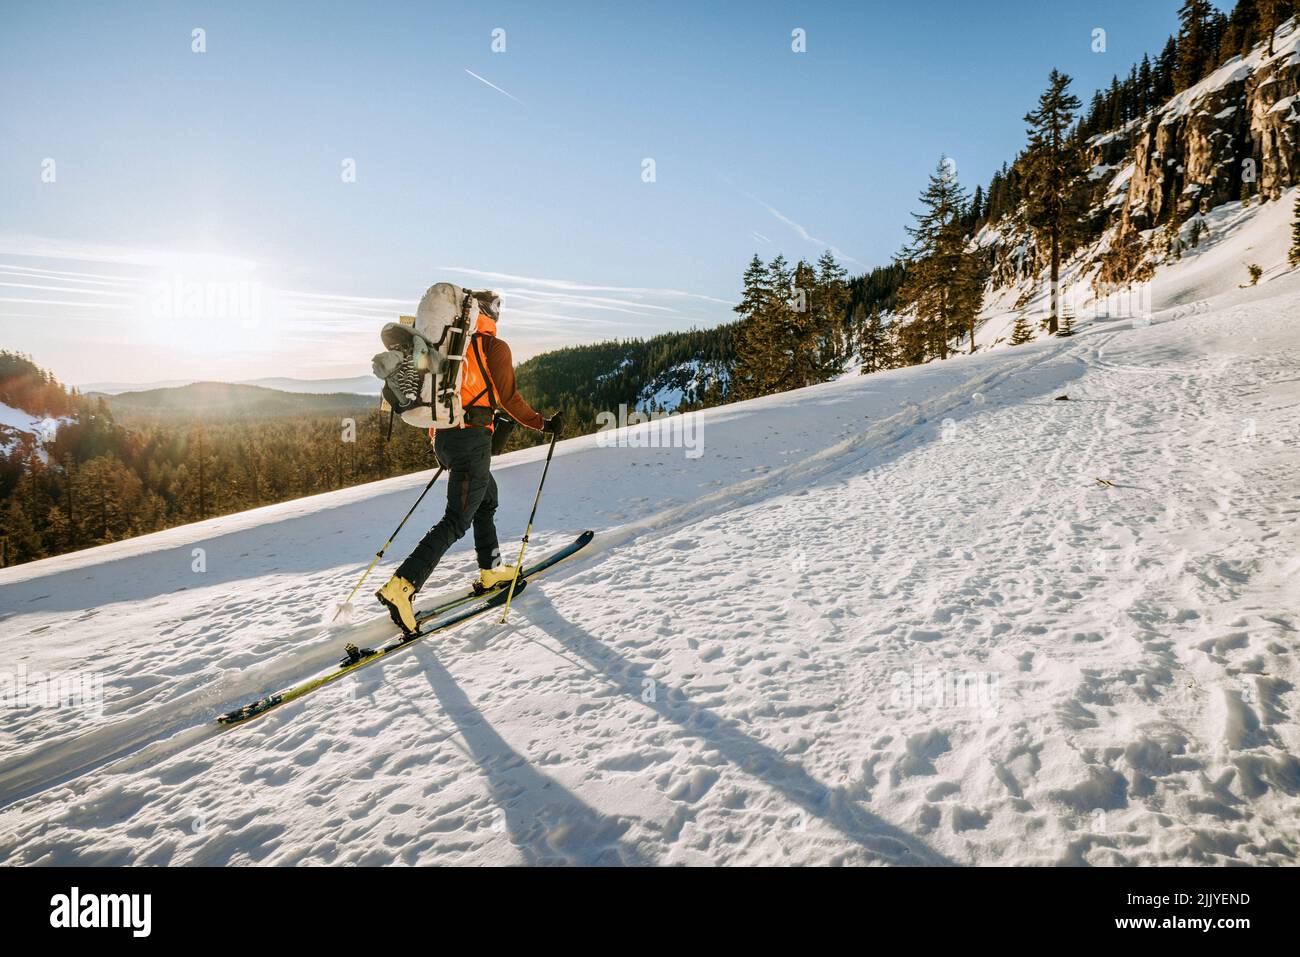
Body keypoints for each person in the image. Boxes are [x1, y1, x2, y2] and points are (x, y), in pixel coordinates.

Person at [376, 291, 561, 633]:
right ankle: (402, 586)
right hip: (471, 441)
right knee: (456, 519)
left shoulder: (449, 347)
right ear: (489, 313)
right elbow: (508, 399)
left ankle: (490, 570)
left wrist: (445, 444)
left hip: (447, 439)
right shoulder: (492, 346)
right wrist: (543, 423)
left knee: (486, 500)